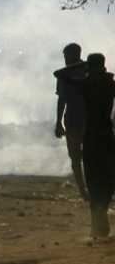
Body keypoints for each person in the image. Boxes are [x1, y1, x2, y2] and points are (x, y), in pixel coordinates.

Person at [81, 53, 115, 238]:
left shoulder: (85, 84)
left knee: (94, 178)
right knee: (107, 178)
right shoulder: (109, 83)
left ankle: (97, 224)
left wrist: (82, 69)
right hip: (106, 135)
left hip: (92, 136)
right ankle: (100, 222)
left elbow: (59, 75)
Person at [54, 43, 88, 201]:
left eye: (67, 56)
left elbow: (62, 100)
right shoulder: (67, 74)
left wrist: (58, 122)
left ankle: (87, 189)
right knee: (76, 157)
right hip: (74, 120)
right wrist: (58, 122)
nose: (65, 59)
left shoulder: (86, 71)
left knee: (85, 156)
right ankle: (83, 190)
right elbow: (62, 99)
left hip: (84, 119)